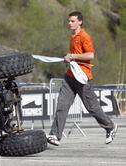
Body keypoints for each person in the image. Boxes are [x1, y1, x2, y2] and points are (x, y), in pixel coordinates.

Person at [47, 11, 117, 146]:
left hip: (83, 78)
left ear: (80, 22)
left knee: (92, 108)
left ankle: (110, 127)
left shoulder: (85, 36)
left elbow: (90, 55)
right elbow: (75, 56)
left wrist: (72, 56)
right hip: (70, 77)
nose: (69, 23)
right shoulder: (73, 36)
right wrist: (68, 59)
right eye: (69, 21)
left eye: (72, 21)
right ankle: (55, 135)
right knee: (62, 106)